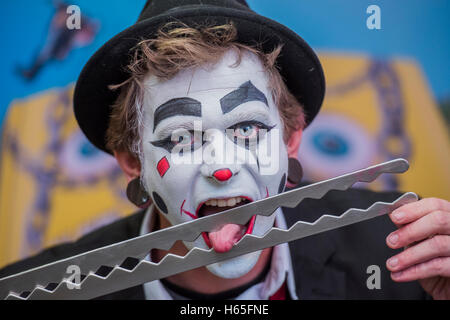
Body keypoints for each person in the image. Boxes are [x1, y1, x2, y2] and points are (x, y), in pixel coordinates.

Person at [1, 0, 449, 300]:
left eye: (249, 127)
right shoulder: (47, 290)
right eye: (180, 137)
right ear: (133, 161)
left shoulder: (400, 254)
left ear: (290, 136)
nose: (221, 167)